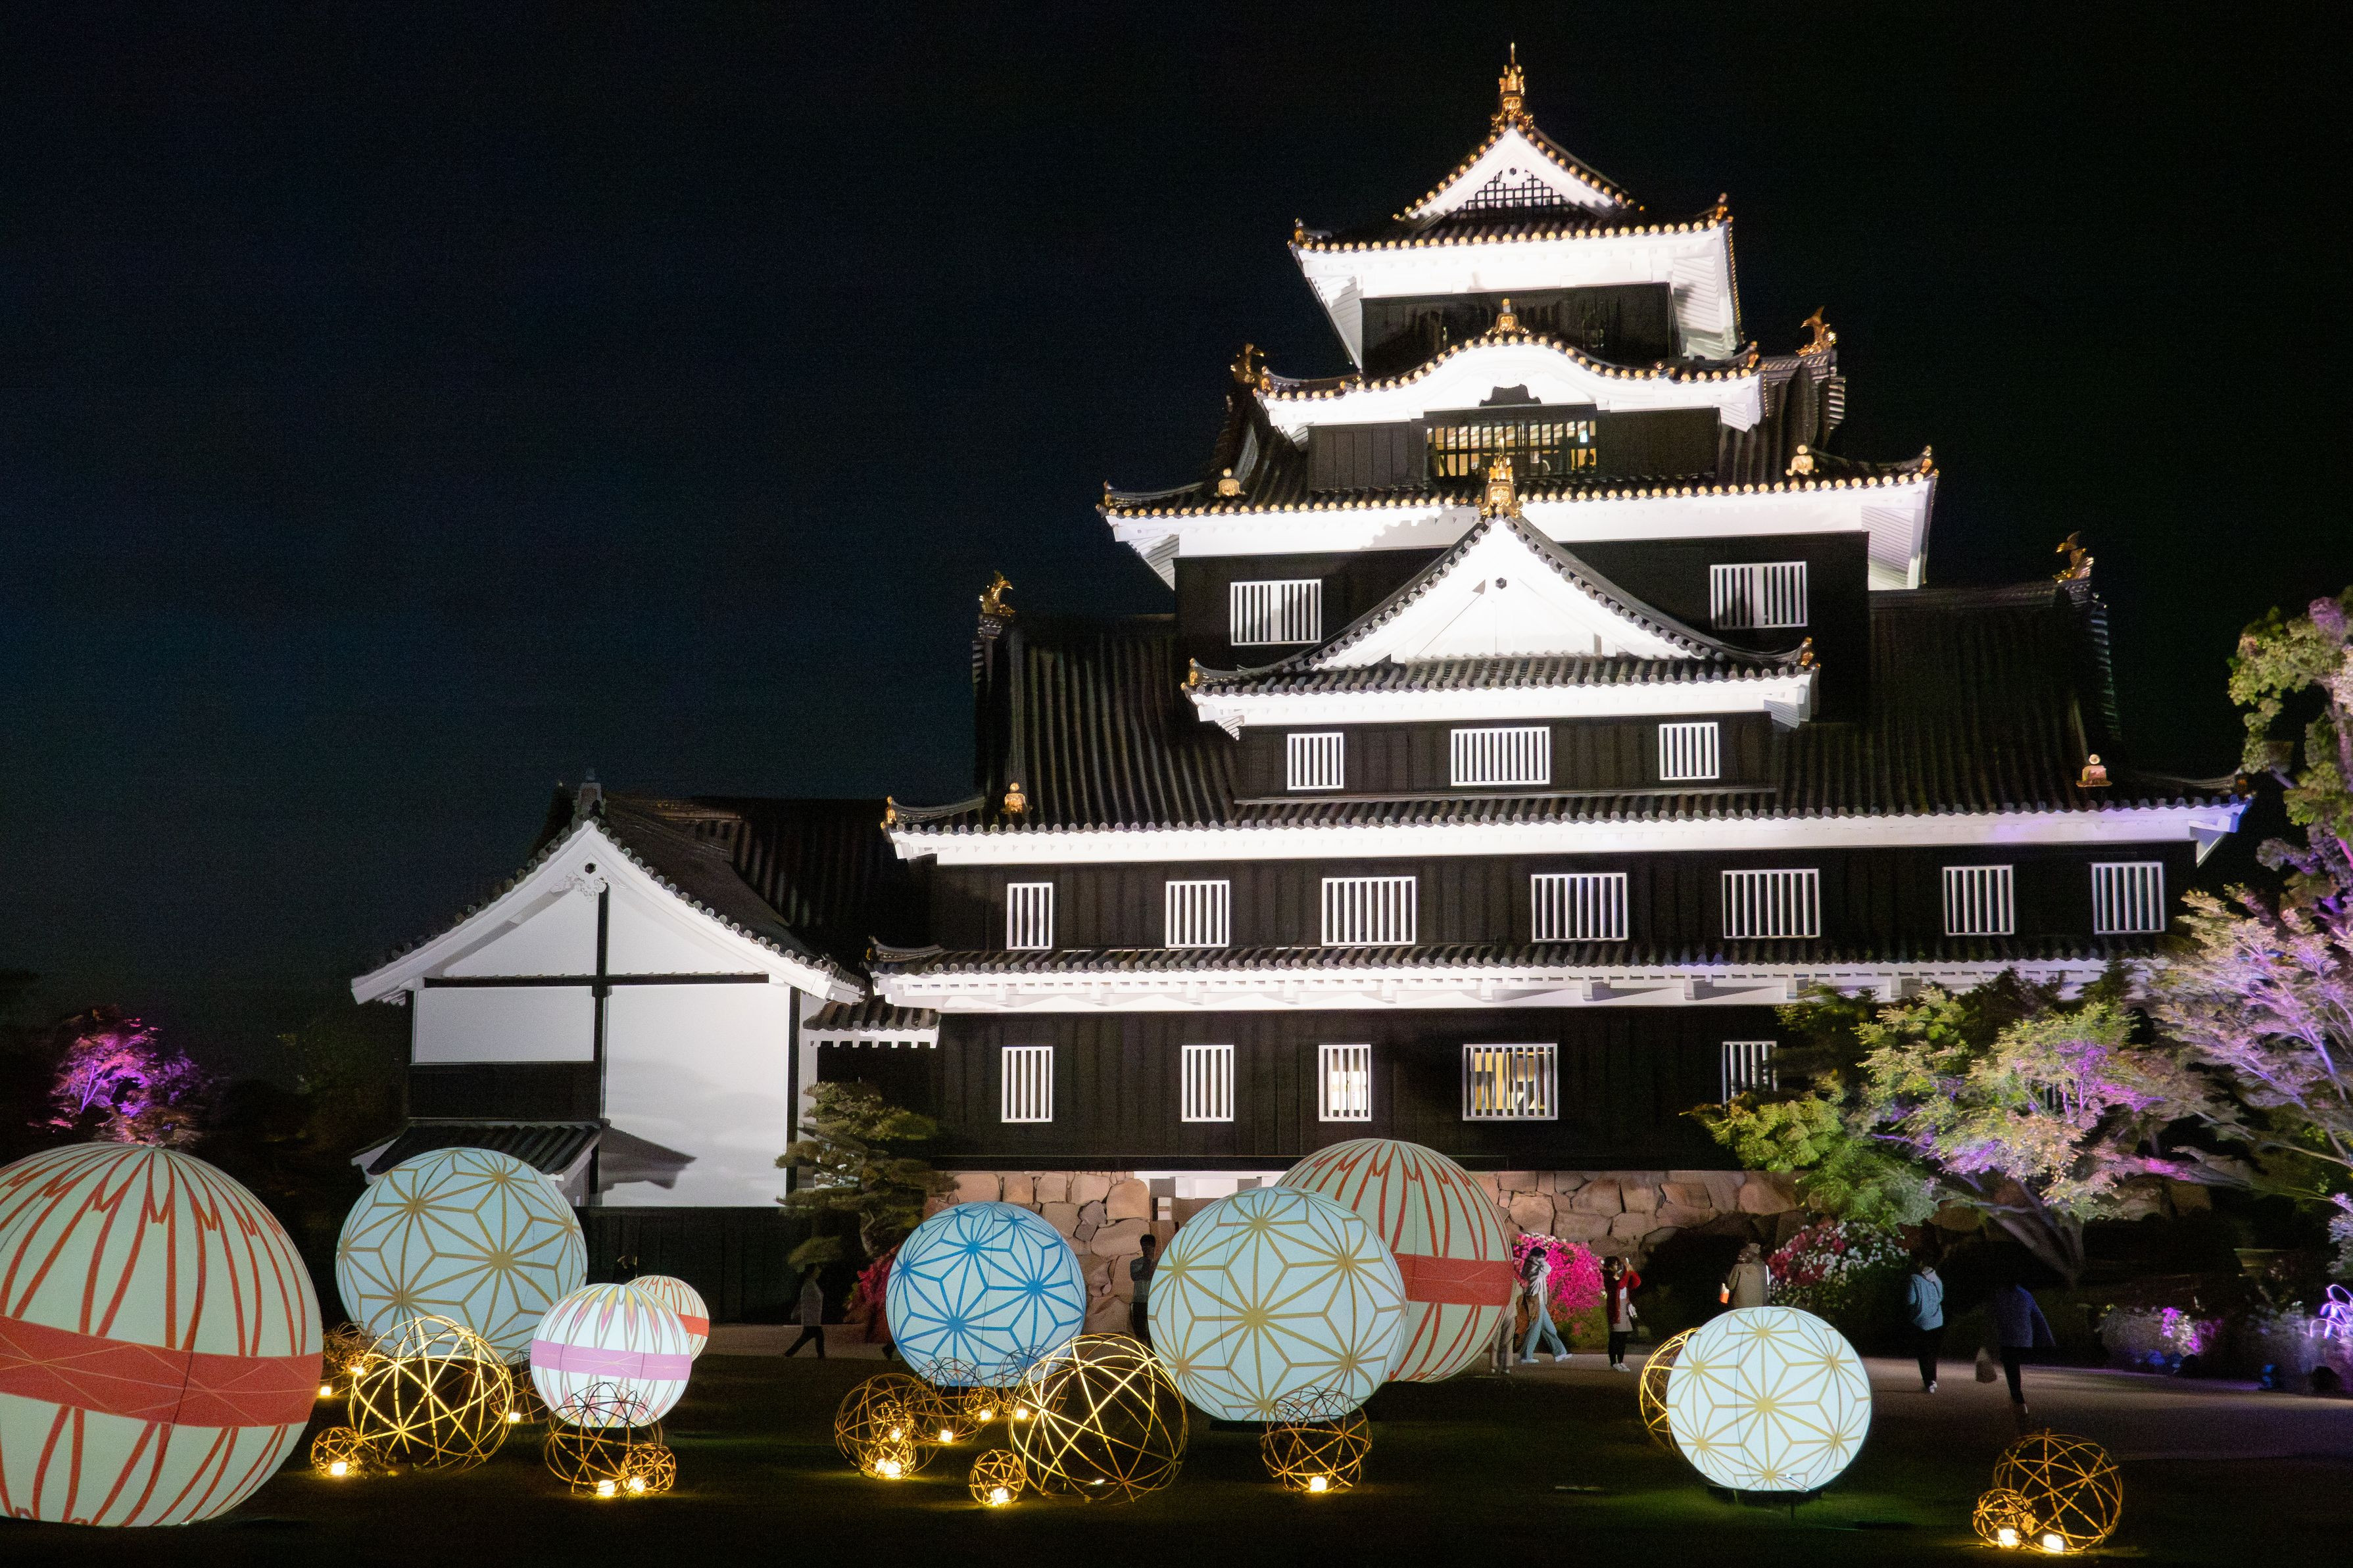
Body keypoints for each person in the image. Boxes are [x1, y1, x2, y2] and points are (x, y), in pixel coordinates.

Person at [1990, 1279, 2056, 1421]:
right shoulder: (2026, 1295)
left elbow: (1993, 1317)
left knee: (2011, 1368)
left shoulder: (1999, 1295)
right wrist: (2048, 1339)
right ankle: (2017, 1399)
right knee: (2013, 1367)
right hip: (2024, 1340)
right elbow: (2038, 1316)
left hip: (2008, 1339)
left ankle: (2018, 1400)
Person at [1518, 1246, 1569, 1366]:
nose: (1544, 1260)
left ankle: (1560, 1352)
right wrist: (1539, 1260)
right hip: (1536, 1301)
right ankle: (1526, 1356)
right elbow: (1548, 1268)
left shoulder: (1532, 1265)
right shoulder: (1533, 1268)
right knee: (1535, 1329)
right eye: (1542, 1257)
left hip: (1540, 1301)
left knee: (1549, 1328)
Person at [1906, 1257, 1947, 1392]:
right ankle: (1933, 1380)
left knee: (1923, 1353)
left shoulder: (1914, 1279)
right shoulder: (1936, 1279)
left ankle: (1928, 1382)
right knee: (1932, 1353)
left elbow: (1911, 1300)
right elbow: (1941, 1298)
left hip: (1921, 1321)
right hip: (1937, 1320)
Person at [1601, 1255, 1643, 1371]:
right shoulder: (1608, 1277)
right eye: (1615, 1265)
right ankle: (1614, 1362)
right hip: (1616, 1309)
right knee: (1616, 1336)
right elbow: (1620, 1285)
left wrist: (1631, 1271)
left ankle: (1620, 1361)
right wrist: (1627, 1273)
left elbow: (1636, 1283)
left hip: (1624, 1308)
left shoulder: (1621, 1275)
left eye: (1618, 1264)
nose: (1617, 1266)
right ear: (1609, 1266)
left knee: (1623, 1337)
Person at [785, 1268, 826, 1358]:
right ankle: (821, 1356)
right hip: (811, 1318)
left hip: (813, 1317)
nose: (819, 1271)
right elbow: (806, 1301)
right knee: (816, 1335)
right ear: (812, 1272)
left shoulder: (811, 1283)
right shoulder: (809, 1285)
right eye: (817, 1270)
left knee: (808, 1336)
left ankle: (789, 1353)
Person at [1128, 1232, 1159, 1346]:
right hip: (1139, 1303)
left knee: (1154, 1335)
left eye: (1150, 1248)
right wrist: (1149, 1262)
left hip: (1154, 1304)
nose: (1147, 1250)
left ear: (1154, 1248)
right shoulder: (1135, 1263)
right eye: (1145, 1247)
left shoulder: (1159, 1264)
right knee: (1140, 1334)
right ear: (1142, 1248)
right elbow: (1139, 1276)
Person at [1720, 1242, 1770, 1309]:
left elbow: (1731, 1286)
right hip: (1760, 1304)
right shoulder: (1765, 1267)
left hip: (1741, 1306)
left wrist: (1727, 1279)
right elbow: (1767, 1284)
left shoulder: (1738, 1267)